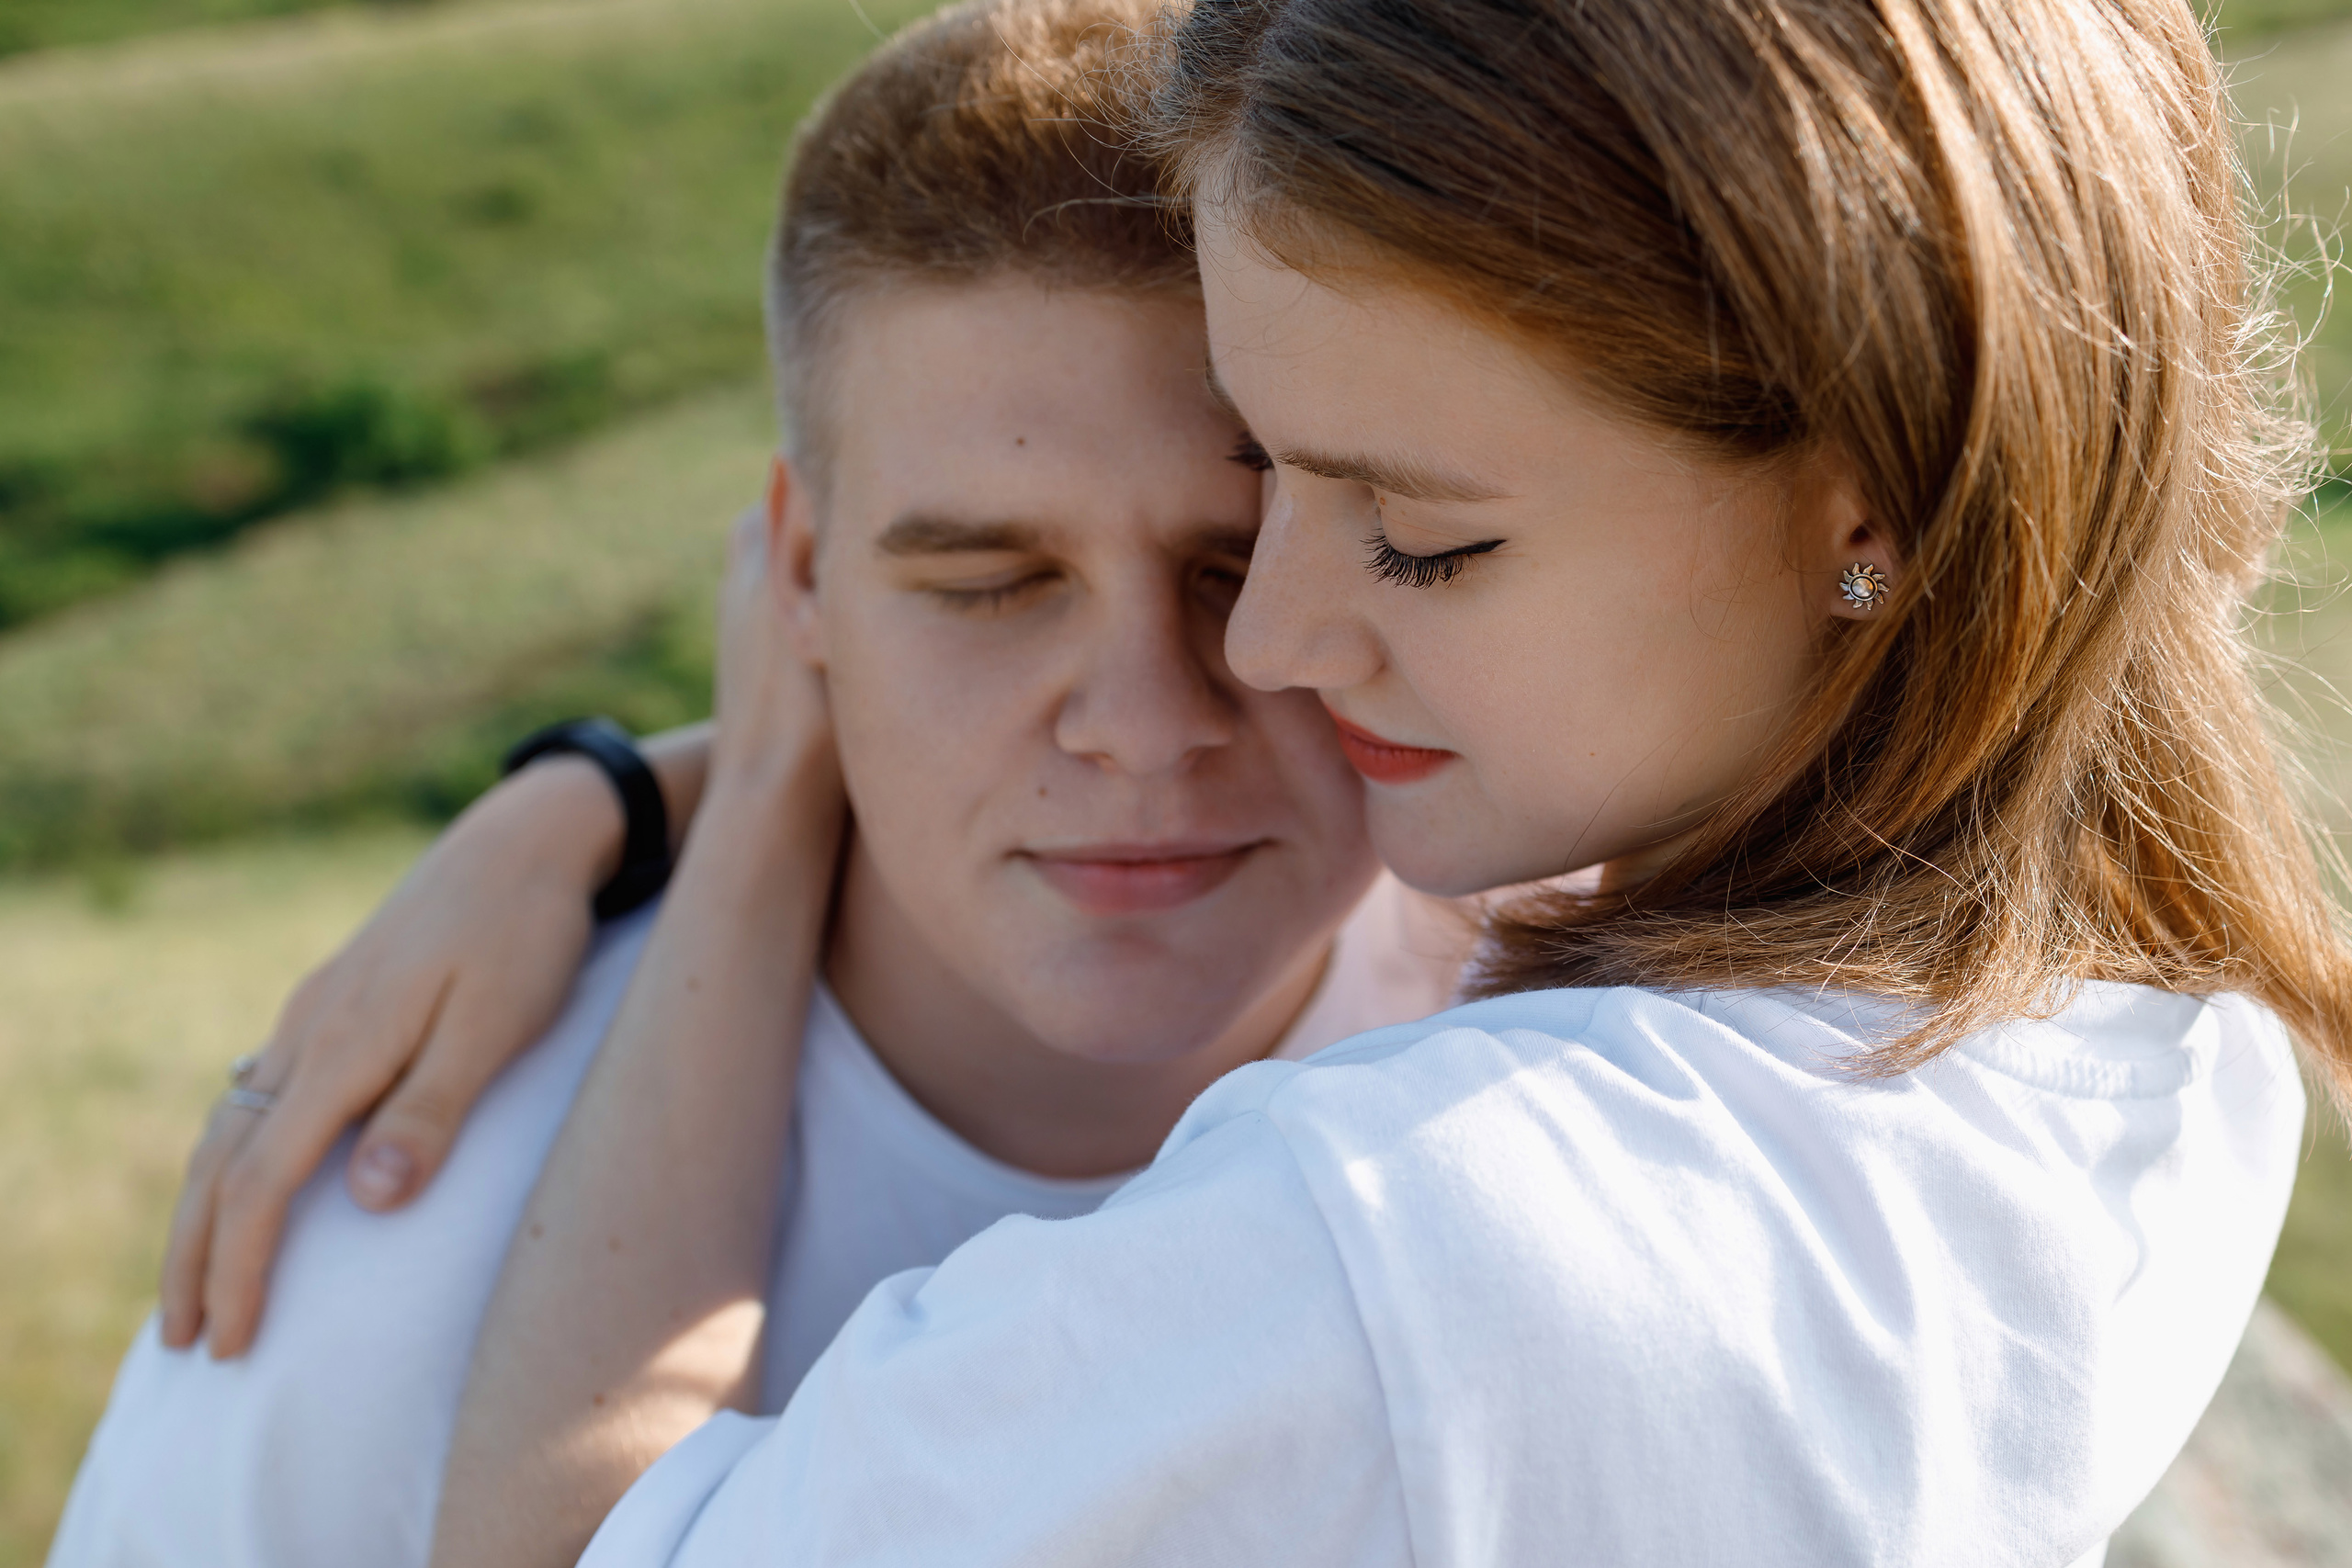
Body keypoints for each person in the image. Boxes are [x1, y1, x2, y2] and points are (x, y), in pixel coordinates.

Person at [423, 0, 2346, 1563]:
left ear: (1867, 502)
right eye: (1269, 475)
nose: (1264, 641)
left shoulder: (1389, 1256)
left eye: (1415, 535)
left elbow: (570, 1548)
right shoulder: (2174, 1054)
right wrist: (625, 790)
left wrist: (766, 787)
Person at [44, 4, 1464, 1562]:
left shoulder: (1595, 1061)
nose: (1140, 722)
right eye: (990, 581)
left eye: (1232, 563)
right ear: (795, 571)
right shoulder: (385, 1244)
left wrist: (627, 793)